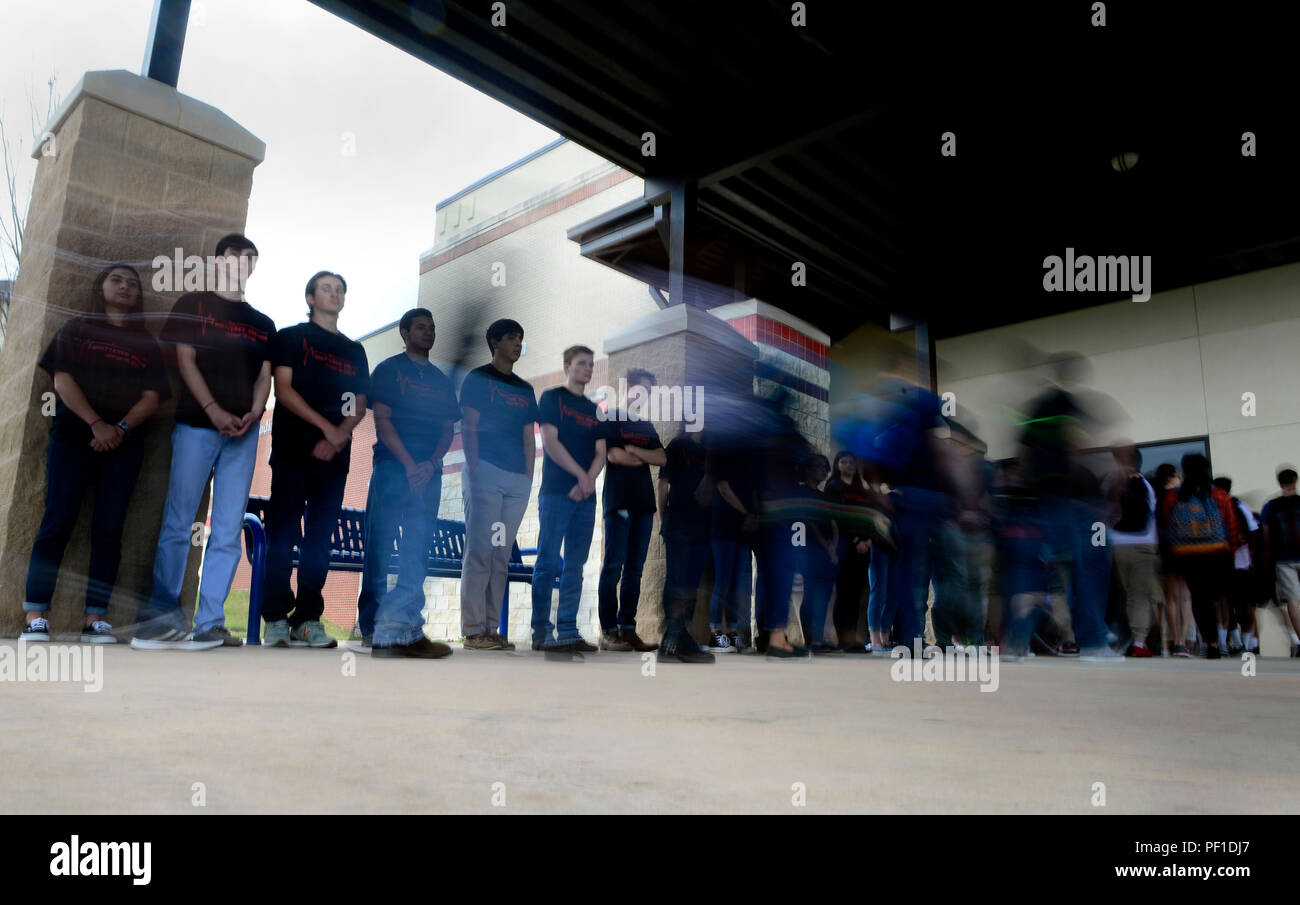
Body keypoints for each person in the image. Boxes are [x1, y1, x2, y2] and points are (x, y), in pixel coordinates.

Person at [134, 235, 274, 650]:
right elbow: (185, 361)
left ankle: (210, 622)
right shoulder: (192, 305)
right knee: (179, 522)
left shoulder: (263, 323)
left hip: (243, 436)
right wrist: (212, 408)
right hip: (196, 425)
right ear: (220, 260)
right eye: (238, 255)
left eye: (252, 259)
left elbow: (264, 377)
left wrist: (254, 412)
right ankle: (159, 621)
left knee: (228, 530)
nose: (245, 262)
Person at [21, 264, 170, 644]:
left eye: (132, 284)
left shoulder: (146, 343)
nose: (125, 287)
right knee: (58, 522)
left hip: (124, 447)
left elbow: (152, 397)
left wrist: (118, 429)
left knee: (109, 529)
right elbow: (61, 379)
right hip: (73, 439)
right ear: (100, 287)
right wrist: (95, 424)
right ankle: (35, 615)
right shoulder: (77, 330)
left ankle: (95, 620)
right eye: (116, 280)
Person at [261, 271, 369, 648]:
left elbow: (359, 402)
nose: (335, 293)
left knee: (319, 540)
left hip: (335, 460)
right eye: (326, 288)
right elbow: (284, 391)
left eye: (340, 289)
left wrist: (339, 436)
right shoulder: (291, 338)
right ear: (310, 298)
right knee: (283, 533)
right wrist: (328, 428)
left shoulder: (354, 350)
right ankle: (274, 618)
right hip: (293, 452)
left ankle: (307, 619)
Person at [363, 308, 459, 659]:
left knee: (416, 547)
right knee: (380, 545)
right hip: (392, 469)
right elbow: (383, 421)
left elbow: (449, 428)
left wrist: (431, 463)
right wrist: (408, 464)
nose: (428, 332)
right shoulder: (389, 370)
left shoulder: (441, 381)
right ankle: (374, 627)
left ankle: (404, 623)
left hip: (428, 473)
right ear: (404, 333)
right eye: (421, 327)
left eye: (432, 328)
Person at [458, 319, 537, 651]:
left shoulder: (524, 388)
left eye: (521, 338)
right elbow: (469, 425)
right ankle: (474, 630)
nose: (518, 344)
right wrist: (475, 468)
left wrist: (528, 478)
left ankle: (491, 628)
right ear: (494, 342)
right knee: (480, 551)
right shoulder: (479, 378)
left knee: (500, 554)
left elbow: (528, 436)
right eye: (511, 338)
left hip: (516, 482)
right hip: (485, 474)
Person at [532, 346, 605, 653]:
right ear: (567, 366)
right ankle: (541, 631)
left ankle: (568, 630)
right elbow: (550, 441)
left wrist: (588, 482)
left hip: (585, 500)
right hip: (556, 493)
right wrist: (582, 476)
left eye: (590, 364)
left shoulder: (595, 410)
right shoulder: (551, 398)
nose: (587, 368)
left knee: (575, 565)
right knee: (548, 561)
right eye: (581, 364)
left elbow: (601, 452)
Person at [597, 368, 665, 652]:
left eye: (648, 392)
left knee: (635, 570)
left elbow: (661, 457)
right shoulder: (610, 417)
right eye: (640, 389)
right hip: (619, 502)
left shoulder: (646, 426)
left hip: (644, 506)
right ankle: (609, 632)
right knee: (614, 566)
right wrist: (639, 455)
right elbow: (614, 455)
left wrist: (635, 452)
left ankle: (628, 629)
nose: (643, 396)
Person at [1157, 453, 1246, 660]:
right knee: (1220, 597)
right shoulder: (1220, 495)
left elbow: (1167, 527)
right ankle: (1230, 638)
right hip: (1217, 554)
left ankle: (1211, 643)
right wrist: (1230, 554)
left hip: (1188, 556)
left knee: (1199, 599)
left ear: (1185, 472)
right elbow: (1232, 527)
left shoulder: (1172, 497)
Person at [656, 426, 715, 662]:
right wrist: (663, 521)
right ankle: (671, 641)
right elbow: (663, 484)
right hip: (679, 522)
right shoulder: (678, 445)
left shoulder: (711, 452)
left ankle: (683, 636)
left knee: (691, 584)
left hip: (704, 526)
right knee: (677, 581)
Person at [1102, 443, 1162, 657]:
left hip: (1117, 545)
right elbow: (1152, 517)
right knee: (1140, 596)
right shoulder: (1145, 484)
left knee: (1123, 596)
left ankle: (1122, 637)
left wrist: (1099, 543)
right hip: (1143, 545)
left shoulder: (1110, 482)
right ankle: (1139, 642)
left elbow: (1102, 515)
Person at [824, 452, 872, 653]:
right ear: (837, 465)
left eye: (852, 462)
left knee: (856, 594)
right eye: (844, 461)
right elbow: (836, 516)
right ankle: (843, 638)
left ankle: (852, 638)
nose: (849, 465)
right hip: (844, 543)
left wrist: (868, 540)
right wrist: (856, 540)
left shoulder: (861, 489)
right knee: (843, 593)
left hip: (863, 548)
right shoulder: (833, 487)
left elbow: (869, 516)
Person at [795, 454, 839, 653]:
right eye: (818, 466)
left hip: (827, 552)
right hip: (810, 549)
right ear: (807, 469)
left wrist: (834, 546)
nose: (823, 470)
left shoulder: (824, 496)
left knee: (824, 594)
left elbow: (833, 522)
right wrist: (826, 545)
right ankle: (810, 639)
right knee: (812, 593)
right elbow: (809, 521)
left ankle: (819, 639)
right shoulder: (801, 492)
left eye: (824, 467)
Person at [1212, 476, 1260, 656]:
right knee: (1244, 605)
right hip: (1241, 561)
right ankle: (1245, 643)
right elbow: (1253, 532)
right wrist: (1252, 558)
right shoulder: (1240, 506)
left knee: (1227, 603)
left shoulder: (1216, 506)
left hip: (1226, 560)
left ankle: (1236, 641)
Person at [1260, 467, 1300, 657]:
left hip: (1283, 559)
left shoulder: (1271, 506)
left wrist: (1268, 559)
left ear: (1279, 482)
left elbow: (1266, 535)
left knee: (1292, 601)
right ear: (1296, 480)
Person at [1152, 463, 1189, 656]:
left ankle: (1174, 641)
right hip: (1183, 548)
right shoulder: (1180, 496)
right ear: (1172, 477)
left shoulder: (1156, 497)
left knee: (1170, 598)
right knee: (1185, 597)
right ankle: (1182, 640)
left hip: (1164, 549)